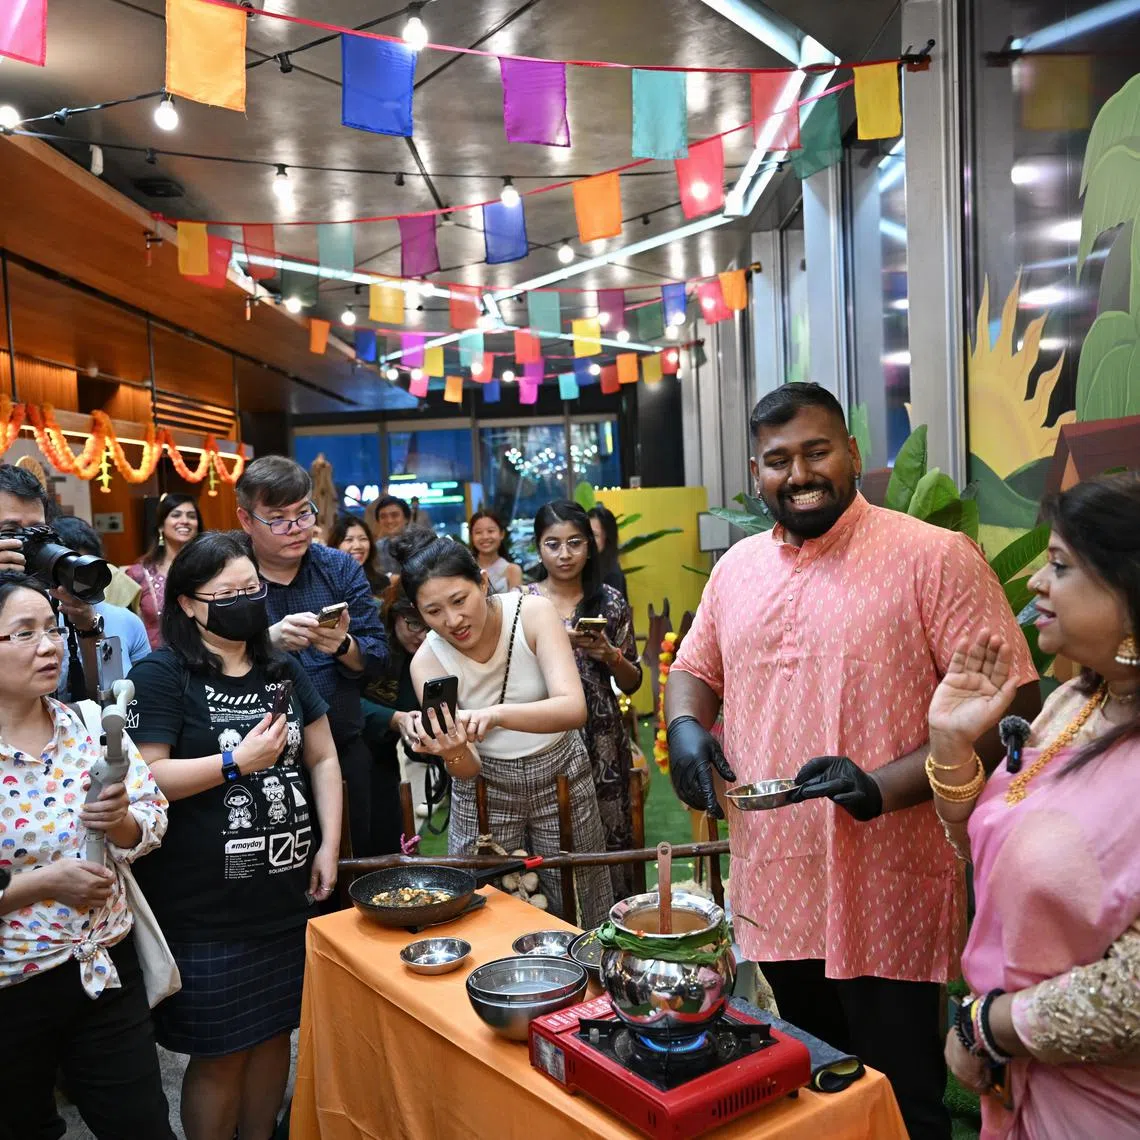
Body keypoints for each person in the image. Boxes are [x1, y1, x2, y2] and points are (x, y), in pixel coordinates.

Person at [666, 382, 1040, 1140]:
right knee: (818, 1090)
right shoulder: (736, 568)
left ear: (853, 455)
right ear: (755, 471)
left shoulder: (932, 556)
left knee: (903, 1101)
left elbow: (1017, 703)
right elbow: (696, 667)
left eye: (816, 451)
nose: (798, 474)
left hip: (888, 885)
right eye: (778, 460)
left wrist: (883, 786)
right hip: (779, 878)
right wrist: (684, 726)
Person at [928, 473, 1140, 1140]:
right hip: (1021, 1088)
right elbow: (990, 852)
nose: (1032, 585)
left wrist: (989, 1026)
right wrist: (953, 744)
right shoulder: (1077, 703)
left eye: (1059, 566)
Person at [127, 531, 342, 1140]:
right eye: (228, 593)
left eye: (251, 589)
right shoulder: (163, 674)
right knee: (221, 1051)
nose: (245, 601)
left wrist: (327, 844)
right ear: (190, 604)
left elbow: (322, 759)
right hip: (204, 909)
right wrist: (234, 764)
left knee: (275, 1036)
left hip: (282, 895)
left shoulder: (281, 667)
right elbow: (150, 777)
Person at [0, 573, 175, 1140]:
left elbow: (150, 819)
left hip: (103, 967)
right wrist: (43, 883)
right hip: (13, 985)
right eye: (23, 634)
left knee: (142, 1125)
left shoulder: (86, 723)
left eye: (51, 629)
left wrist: (122, 821)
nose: (49, 646)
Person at [393, 529, 614, 927]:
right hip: (484, 787)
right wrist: (452, 749)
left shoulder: (532, 612)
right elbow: (468, 767)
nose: (453, 620)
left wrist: (494, 714)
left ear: (482, 581)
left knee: (579, 897)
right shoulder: (426, 660)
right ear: (416, 611)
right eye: (433, 611)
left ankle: (590, 987)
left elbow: (572, 708)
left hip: (560, 769)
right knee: (485, 904)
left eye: (460, 600)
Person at [235, 456, 387, 856]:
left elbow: (378, 656)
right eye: (279, 519)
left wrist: (340, 644)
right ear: (247, 520)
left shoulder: (337, 568)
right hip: (257, 761)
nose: (297, 529)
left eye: (304, 514)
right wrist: (268, 640)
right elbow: (199, 655)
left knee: (350, 865)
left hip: (341, 745)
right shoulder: (228, 571)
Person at [524, 501, 642, 898]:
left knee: (610, 838)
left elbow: (633, 683)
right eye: (552, 544)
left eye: (575, 543)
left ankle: (615, 927)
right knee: (551, 838)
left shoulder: (609, 601)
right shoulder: (523, 603)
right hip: (544, 736)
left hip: (602, 737)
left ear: (590, 546)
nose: (564, 554)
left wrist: (611, 655)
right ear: (538, 548)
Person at [0, 464, 107, 702]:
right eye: (11, 530)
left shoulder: (57, 594)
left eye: (36, 530)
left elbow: (105, 693)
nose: (28, 542)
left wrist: (87, 626)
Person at [361, 596, 431, 838]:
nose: (422, 635)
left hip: (385, 758)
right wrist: (394, 717)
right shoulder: (367, 636)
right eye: (414, 624)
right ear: (394, 615)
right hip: (345, 750)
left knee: (389, 836)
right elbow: (338, 702)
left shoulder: (428, 653)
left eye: (431, 627)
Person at [52, 515, 152, 673]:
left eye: (85, 570)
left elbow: (143, 688)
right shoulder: (40, 625)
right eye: (67, 570)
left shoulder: (128, 621)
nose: (76, 580)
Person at [125, 493, 201, 650]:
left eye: (191, 516)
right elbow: (125, 628)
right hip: (155, 663)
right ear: (161, 525)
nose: (185, 521)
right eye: (176, 515)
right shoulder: (138, 574)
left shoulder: (209, 570)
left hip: (203, 661)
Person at [330, 512, 389, 599]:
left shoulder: (382, 582)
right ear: (335, 545)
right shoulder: (327, 583)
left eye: (363, 539)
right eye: (349, 540)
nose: (358, 546)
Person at [469, 508, 522, 593]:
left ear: (501, 534)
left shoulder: (513, 570)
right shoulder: (466, 569)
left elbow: (517, 604)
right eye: (478, 532)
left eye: (490, 531)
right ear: (472, 536)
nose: (485, 537)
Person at [588, 504, 628, 600]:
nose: (589, 540)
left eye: (594, 535)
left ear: (607, 537)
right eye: (586, 533)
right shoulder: (587, 567)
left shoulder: (612, 576)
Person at [370, 494, 411, 578]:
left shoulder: (420, 544)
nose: (389, 521)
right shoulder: (378, 546)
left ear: (406, 518)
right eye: (383, 516)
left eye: (394, 515)